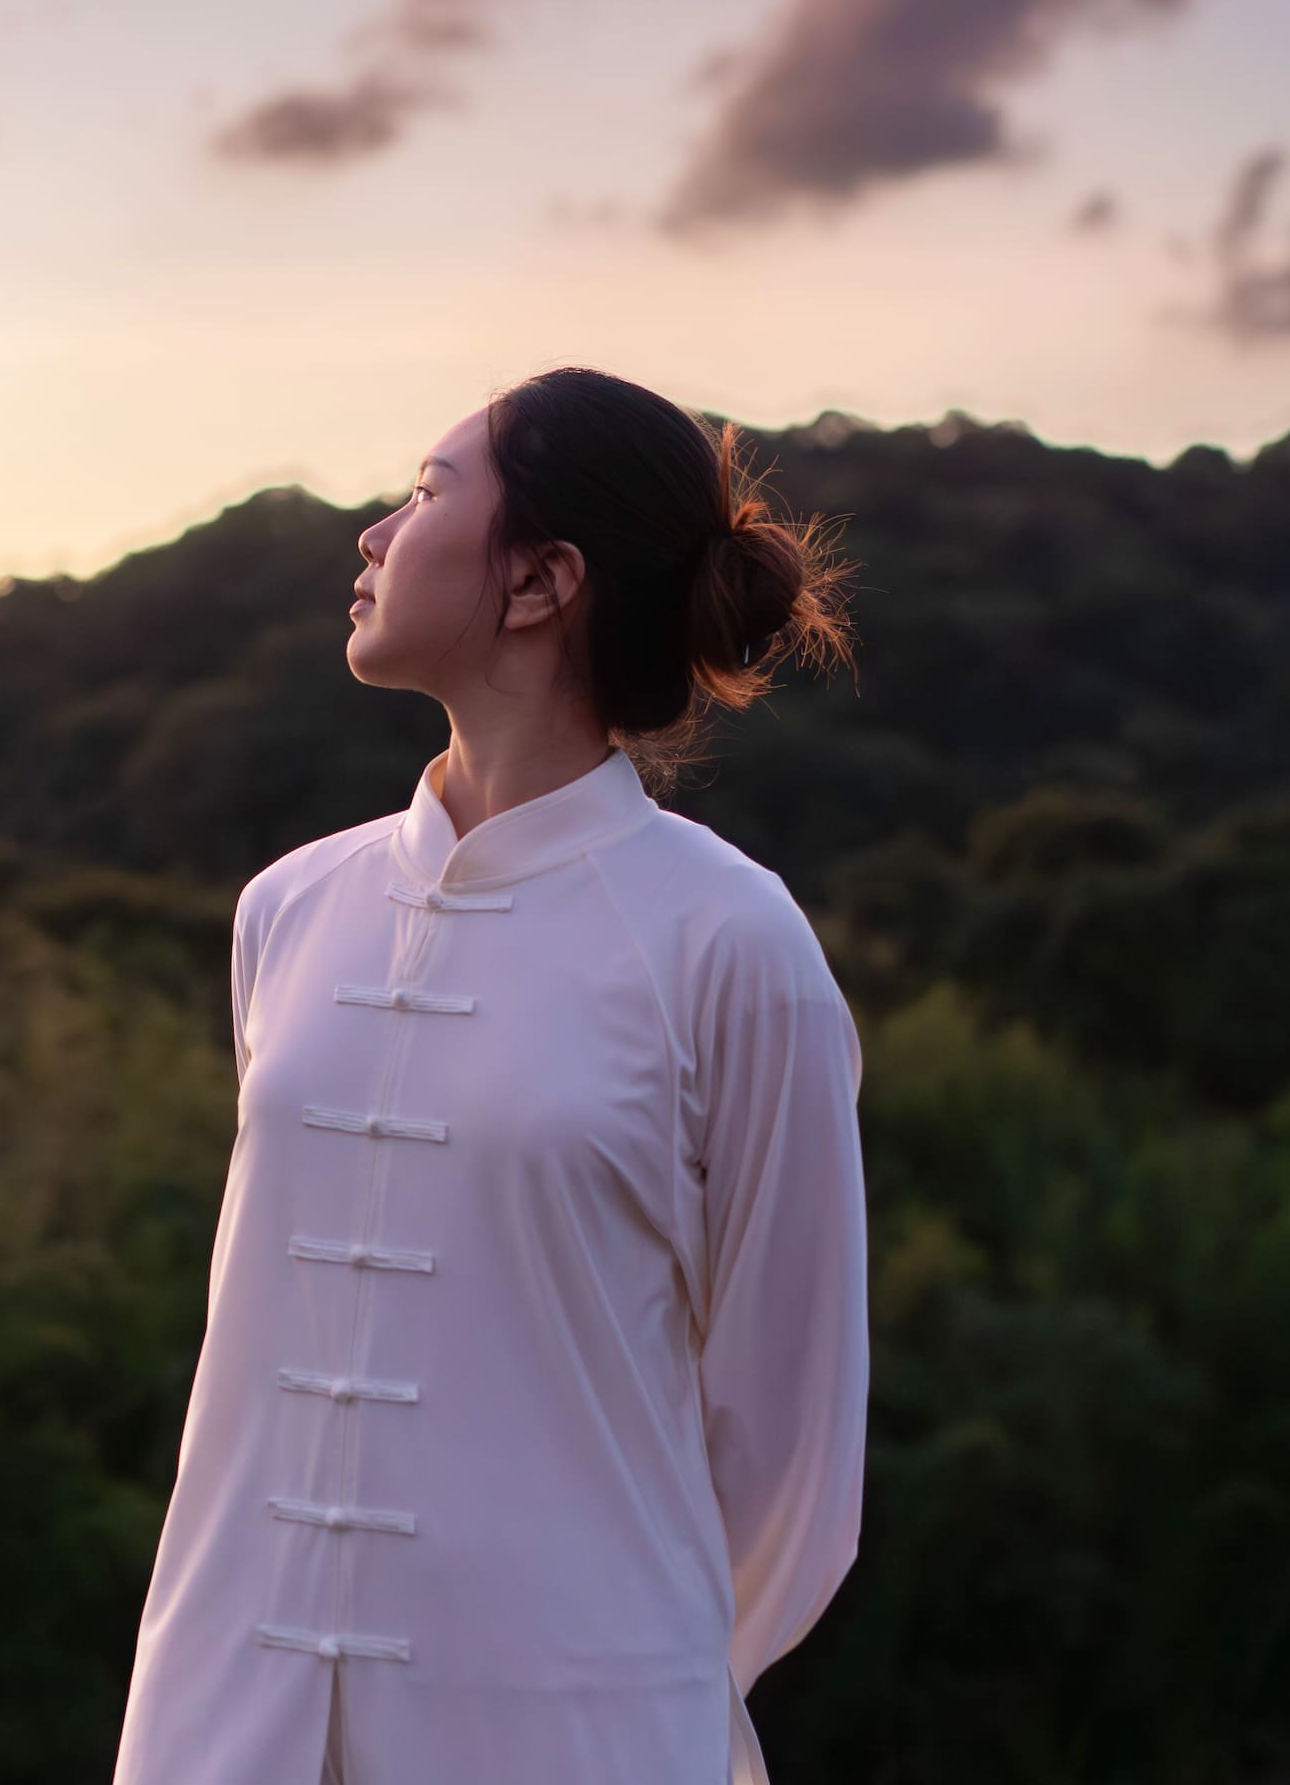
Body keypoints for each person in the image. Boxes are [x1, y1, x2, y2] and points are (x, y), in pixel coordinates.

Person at [111, 365, 869, 1785]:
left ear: (539, 581)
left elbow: (792, 1449)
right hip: (220, 1723)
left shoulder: (729, 942)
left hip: (575, 1732)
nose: (373, 535)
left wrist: (626, 1686)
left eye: (424, 494)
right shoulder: (289, 910)